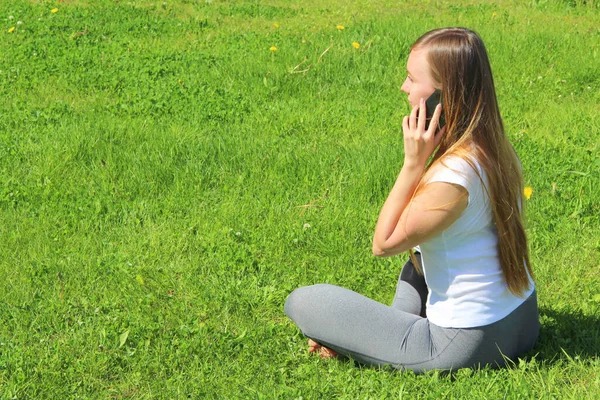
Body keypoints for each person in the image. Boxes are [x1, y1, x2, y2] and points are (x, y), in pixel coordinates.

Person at [284, 27, 539, 373]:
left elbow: (383, 243)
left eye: (411, 78)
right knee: (416, 261)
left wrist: (413, 164)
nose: (404, 87)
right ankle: (380, 332)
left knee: (303, 301)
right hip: (521, 321)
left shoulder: (453, 175)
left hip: (463, 344)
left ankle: (372, 338)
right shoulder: (495, 147)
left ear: (442, 97)